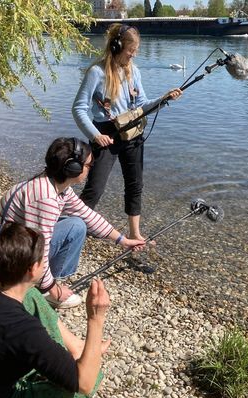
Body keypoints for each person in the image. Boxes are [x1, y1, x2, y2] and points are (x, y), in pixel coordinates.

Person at [0, 223, 111, 398]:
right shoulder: (23, 328)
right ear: (33, 268)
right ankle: (78, 354)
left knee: (31, 292)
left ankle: (77, 347)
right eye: (43, 258)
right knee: (85, 386)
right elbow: (84, 384)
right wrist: (96, 318)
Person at [0, 137, 144, 309]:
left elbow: (87, 215)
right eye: (89, 165)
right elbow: (40, 249)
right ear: (73, 168)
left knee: (77, 224)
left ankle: (45, 281)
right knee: (72, 228)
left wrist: (123, 240)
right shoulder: (46, 198)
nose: (90, 169)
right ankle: (46, 290)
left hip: (4, 250)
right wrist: (52, 288)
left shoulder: (54, 184)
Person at [72, 23, 182, 242]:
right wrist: (95, 135)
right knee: (95, 188)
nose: (134, 55)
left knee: (135, 184)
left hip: (132, 134)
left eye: (136, 50)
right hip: (105, 135)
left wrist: (163, 99)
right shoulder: (97, 72)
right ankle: (71, 227)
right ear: (116, 47)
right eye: (130, 50)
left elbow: (141, 105)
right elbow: (78, 108)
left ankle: (135, 233)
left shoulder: (135, 72)